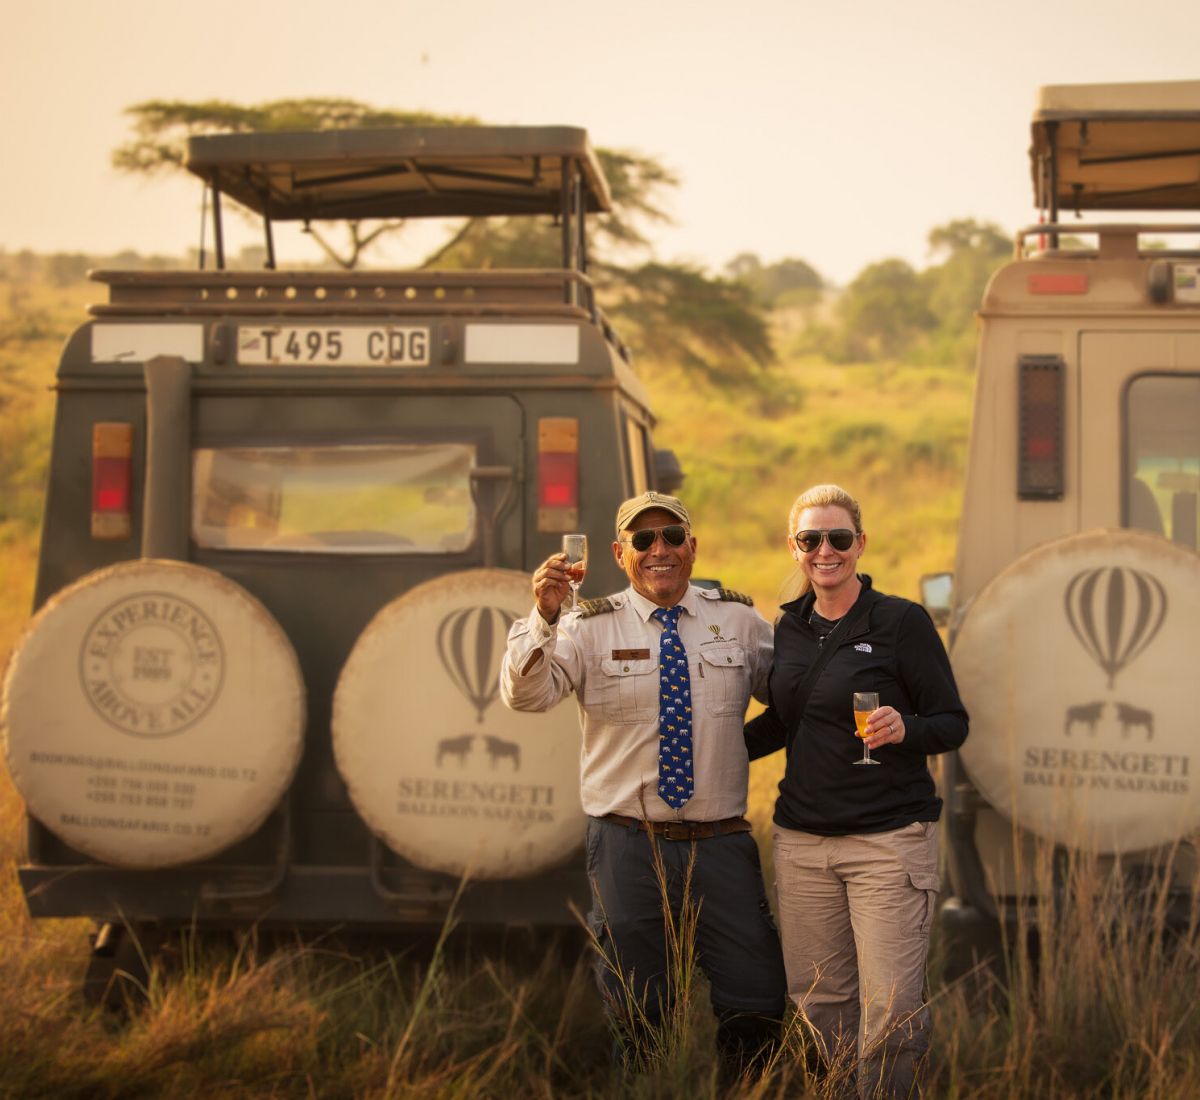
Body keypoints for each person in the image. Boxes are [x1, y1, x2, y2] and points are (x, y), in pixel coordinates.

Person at [500, 490, 786, 1077]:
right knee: (640, 1012)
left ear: (692, 546)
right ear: (619, 552)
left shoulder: (736, 619)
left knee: (755, 1001)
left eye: (673, 537)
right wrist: (545, 616)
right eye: (643, 539)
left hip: (722, 843)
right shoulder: (584, 625)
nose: (660, 550)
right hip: (628, 844)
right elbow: (526, 696)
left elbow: (795, 697)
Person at [745, 484, 968, 1098]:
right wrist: (713, 756)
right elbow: (786, 720)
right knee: (821, 1008)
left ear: (860, 544)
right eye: (811, 539)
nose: (825, 550)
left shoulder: (901, 622)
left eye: (838, 538)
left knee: (891, 1014)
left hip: (889, 844)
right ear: (796, 548)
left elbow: (952, 722)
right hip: (802, 845)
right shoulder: (786, 629)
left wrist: (907, 727)